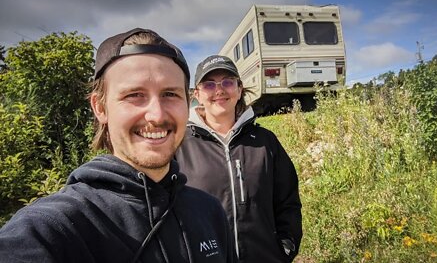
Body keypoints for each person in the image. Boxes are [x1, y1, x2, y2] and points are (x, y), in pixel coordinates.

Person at [0, 29, 235, 263]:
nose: (156, 114)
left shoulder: (209, 211)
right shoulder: (53, 228)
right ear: (100, 108)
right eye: (134, 95)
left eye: (170, 94)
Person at [175, 55, 302, 263]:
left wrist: (287, 246)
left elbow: (288, 200)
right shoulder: (180, 144)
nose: (219, 90)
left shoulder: (265, 141)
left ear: (239, 88)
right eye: (209, 84)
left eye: (227, 81)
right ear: (196, 93)